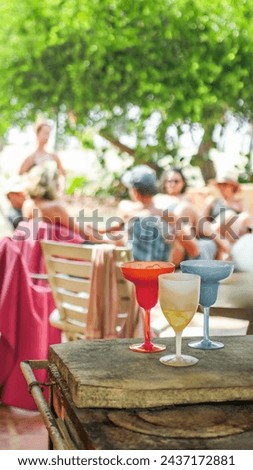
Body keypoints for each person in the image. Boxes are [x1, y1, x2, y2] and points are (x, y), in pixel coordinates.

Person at [20, 164, 111, 244]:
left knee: (89, 227)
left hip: (42, 257)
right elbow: (82, 233)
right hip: (67, 258)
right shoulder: (54, 208)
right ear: (51, 184)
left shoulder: (27, 205)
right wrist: (110, 242)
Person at [202, 172, 253, 243]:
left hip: (233, 233)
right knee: (229, 215)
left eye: (225, 185)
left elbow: (247, 221)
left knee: (245, 216)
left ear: (233, 186)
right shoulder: (212, 201)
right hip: (215, 232)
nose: (222, 188)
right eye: (220, 185)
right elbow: (202, 220)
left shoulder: (240, 202)